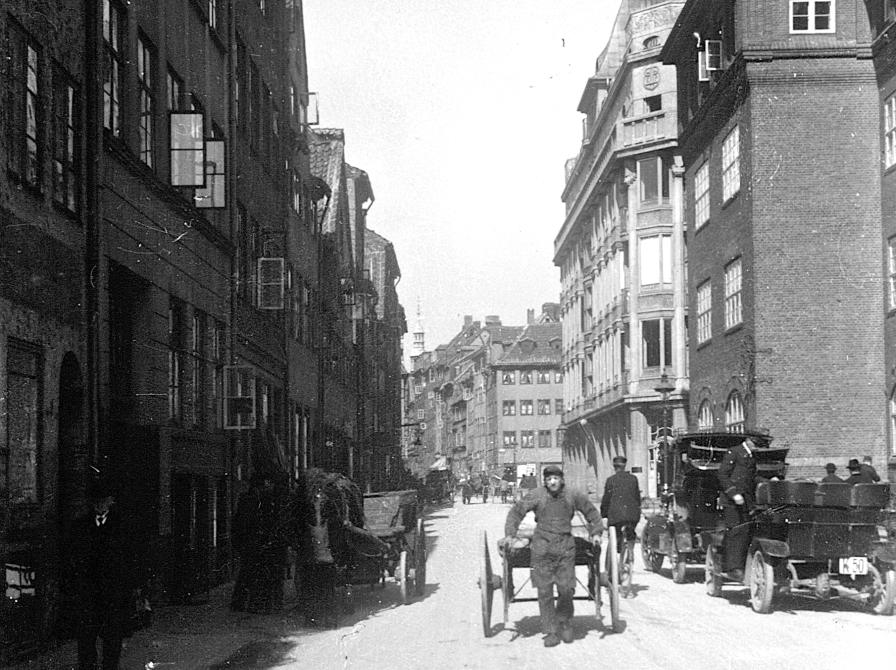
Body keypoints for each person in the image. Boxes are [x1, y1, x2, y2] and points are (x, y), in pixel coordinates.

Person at [503, 465, 602, 648]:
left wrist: (596, 532)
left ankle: (564, 621)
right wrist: (510, 534)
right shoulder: (537, 495)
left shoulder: (572, 495)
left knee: (567, 588)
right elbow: (517, 511)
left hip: (565, 547)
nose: (552, 482)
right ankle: (550, 631)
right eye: (549, 479)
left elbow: (591, 512)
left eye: (555, 478)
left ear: (561, 479)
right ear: (545, 482)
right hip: (542, 548)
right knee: (544, 591)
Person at [68, 476, 139, 670]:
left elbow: (131, 557)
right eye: (96, 501)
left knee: (112, 635)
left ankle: (110, 666)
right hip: (89, 590)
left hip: (114, 590)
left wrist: (133, 585)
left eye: (104, 501)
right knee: (86, 635)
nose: (100, 505)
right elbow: (73, 556)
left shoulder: (122, 525)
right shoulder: (80, 525)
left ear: (110, 501)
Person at [717, 437, 759, 576]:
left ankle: (742, 565)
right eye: (756, 444)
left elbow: (751, 478)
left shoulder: (751, 456)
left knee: (746, 532)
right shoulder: (734, 452)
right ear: (749, 441)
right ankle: (732, 568)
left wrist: (770, 479)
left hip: (746, 501)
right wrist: (734, 494)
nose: (757, 447)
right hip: (731, 501)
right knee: (735, 532)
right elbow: (722, 475)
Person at [600, 455, 642, 561]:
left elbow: (606, 499)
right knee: (631, 530)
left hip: (616, 515)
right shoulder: (633, 479)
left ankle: (617, 551)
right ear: (624, 466)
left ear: (614, 467)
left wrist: (604, 514)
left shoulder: (610, 480)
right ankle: (630, 549)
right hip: (633, 515)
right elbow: (637, 497)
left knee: (615, 532)